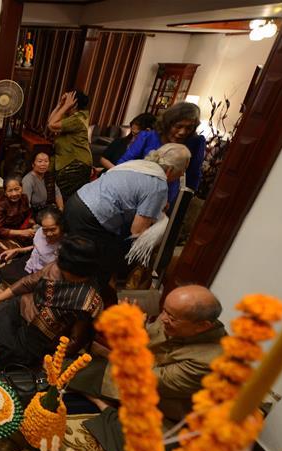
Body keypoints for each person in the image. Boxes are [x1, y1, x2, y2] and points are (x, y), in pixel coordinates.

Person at [70, 285, 226, 451]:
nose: (163, 318)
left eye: (171, 317)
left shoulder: (209, 361)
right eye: (164, 311)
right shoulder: (174, 319)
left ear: (202, 326)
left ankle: (104, 405)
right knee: (68, 369)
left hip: (162, 406)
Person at [64, 143, 190, 302]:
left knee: (72, 257)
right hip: (92, 218)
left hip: (76, 203)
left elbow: (130, 193)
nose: (180, 177)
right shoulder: (158, 185)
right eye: (181, 173)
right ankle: (83, 305)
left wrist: (154, 208)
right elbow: (137, 230)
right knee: (101, 266)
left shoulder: (138, 165)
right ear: (170, 170)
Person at [0, 235, 103, 370]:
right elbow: (28, 283)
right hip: (25, 306)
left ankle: (3, 345)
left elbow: (76, 340)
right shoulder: (56, 268)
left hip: (41, 336)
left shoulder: (88, 300)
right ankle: (2, 343)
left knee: (15, 354)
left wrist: (54, 360)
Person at [116, 103, 206, 203]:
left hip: (166, 199)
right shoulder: (147, 137)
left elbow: (193, 176)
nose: (182, 132)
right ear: (168, 123)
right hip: (134, 192)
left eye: (189, 128)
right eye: (178, 126)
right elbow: (123, 165)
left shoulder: (194, 142)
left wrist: (183, 202)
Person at [0, 206, 64, 286]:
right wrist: (18, 250)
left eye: (53, 229)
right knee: (1, 273)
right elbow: (36, 248)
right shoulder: (40, 231)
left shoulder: (66, 244)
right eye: (45, 230)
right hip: (31, 264)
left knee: (19, 290)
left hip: (44, 276)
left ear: (61, 226)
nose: (48, 234)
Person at [48, 90, 92, 198]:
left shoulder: (78, 119)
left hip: (76, 164)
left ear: (74, 103)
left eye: (68, 99)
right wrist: (60, 104)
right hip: (71, 161)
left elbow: (52, 125)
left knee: (66, 198)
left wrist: (65, 105)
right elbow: (51, 122)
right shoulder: (71, 116)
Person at [0, 175, 34, 260]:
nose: (14, 194)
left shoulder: (24, 198)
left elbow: (27, 214)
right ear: (5, 192)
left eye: (17, 189)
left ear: (22, 188)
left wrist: (30, 224)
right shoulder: (0, 205)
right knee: (5, 256)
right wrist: (21, 233)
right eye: (10, 191)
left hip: (21, 228)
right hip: (4, 234)